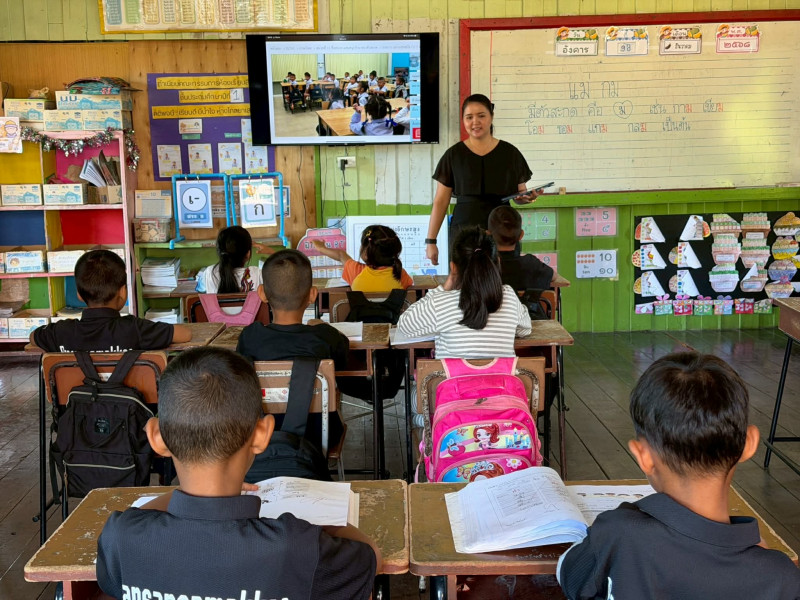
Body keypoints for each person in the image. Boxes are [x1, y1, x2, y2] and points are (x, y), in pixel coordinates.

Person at [96, 347, 380, 600]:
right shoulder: (295, 546)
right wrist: (320, 531)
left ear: (157, 438)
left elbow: (114, 575)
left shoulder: (121, 537)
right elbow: (369, 556)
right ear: (262, 434)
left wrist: (181, 495)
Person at [557, 352, 800, 599]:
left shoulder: (617, 533)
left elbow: (567, 572)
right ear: (749, 444)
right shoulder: (781, 578)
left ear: (644, 456)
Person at [425, 94, 538, 266]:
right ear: (463, 120)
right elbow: (441, 201)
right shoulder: (453, 155)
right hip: (464, 233)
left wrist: (527, 198)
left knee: (503, 279)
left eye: (481, 116)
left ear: (491, 117)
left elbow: (520, 195)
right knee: (463, 279)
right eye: (469, 117)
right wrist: (431, 241)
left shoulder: (510, 153)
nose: (475, 122)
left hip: (503, 232)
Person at [396, 227, 531, 358]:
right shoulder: (508, 295)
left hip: (452, 375)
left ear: (453, 268)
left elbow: (404, 327)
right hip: (500, 375)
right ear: (497, 262)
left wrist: (442, 289)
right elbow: (525, 330)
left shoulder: (441, 302)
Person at [31, 250, 191, 352]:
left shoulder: (60, 332)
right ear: (123, 292)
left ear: (79, 294)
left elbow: (33, 337)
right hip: (128, 397)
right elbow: (185, 334)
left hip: (76, 397)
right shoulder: (136, 329)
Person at [236, 249, 349, 370]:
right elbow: (342, 356)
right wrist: (320, 324)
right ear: (312, 295)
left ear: (262, 293)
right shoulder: (326, 337)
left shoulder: (250, 337)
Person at [312, 224, 413, 292]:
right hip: (393, 319)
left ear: (365, 253)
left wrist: (321, 248)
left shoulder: (356, 271)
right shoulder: (400, 274)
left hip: (360, 319)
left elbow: (341, 255)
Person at [488, 205, 555, 292]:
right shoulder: (532, 265)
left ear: (488, 235)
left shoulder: (481, 267)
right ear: (521, 235)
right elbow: (562, 281)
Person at [199, 225, 264, 294]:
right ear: (248, 254)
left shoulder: (209, 272)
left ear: (220, 252)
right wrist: (271, 252)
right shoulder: (258, 274)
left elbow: (199, 290)